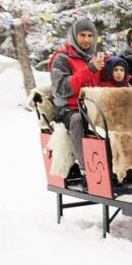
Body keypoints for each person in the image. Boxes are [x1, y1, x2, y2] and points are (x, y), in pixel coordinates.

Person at [49, 18, 106, 168]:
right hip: (69, 108)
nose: (86, 40)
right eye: (82, 35)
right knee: (79, 120)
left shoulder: (95, 58)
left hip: (93, 106)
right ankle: (86, 168)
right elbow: (62, 88)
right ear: (74, 36)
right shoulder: (62, 58)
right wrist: (89, 70)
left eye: (90, 35)